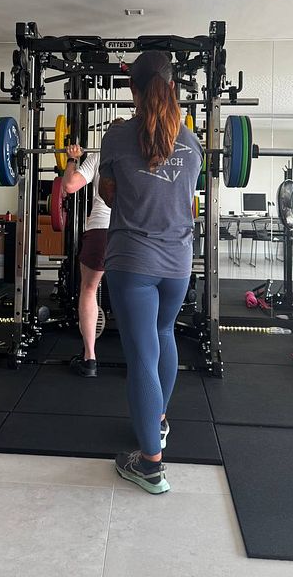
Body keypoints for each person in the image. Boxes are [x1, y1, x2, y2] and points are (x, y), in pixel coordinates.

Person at [98, 51, 202, 494]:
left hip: (133, 263)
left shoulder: (117, 136)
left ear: (133, 89)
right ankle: (156, 420)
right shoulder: (192, 143)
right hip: (178, 264)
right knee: (163, 335)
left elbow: (107, 194)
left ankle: (150, 465)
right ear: (173, 87)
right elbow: (187, 197)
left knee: (142, 355)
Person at [61, 123, 122, 377]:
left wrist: (72, 159)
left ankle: (90, 360)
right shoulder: (140, 156)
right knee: (136, 293)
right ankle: (140, 361)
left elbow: (69, 186)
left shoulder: (99, 156)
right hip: (129, 231)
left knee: (89, 289)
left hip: (100, 230)